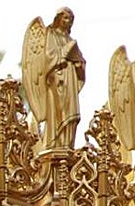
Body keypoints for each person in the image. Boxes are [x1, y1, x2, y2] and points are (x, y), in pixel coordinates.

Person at [42, 8, 85, 151]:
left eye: (70, 19)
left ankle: (68, 144)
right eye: (66, 18)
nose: (68, 22)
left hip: (70, 78)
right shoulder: (51, 35)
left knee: (72, 113)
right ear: (58, 19)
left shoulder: (70, 40)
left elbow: (80, 60)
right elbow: (48, 56)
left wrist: (79, 65)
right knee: (59, 111)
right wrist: (62, 55)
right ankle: (57, 143)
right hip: (58, 78)